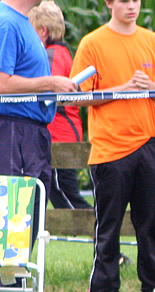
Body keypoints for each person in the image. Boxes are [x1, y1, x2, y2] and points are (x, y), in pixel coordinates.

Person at [70, 0, 155, 292]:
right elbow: (80, 95)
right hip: (110, 147)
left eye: (135, 0)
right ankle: (104, 290)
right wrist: (122, 89)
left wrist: (150, 87)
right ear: (109, 4)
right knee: (109, 222)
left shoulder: (150, 40)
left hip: (148, 142)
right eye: (123, 1)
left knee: (149, 220)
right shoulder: (92, 43)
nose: (131, 6)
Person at [0, 0, 77, 292]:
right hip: (12, 129)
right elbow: (2, 83)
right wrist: (49, 82)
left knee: (25, 227)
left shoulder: (22, 23)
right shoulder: (5, 22)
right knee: (9, 222)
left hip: (32, 133)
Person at [29, 0, 92, 211]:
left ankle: (95, 226)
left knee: (63, 195)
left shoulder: (51, 55)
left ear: (43, 30)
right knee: (60, 191)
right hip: (64, 130)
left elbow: (49, 91)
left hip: (58, 132)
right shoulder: (61, 52)